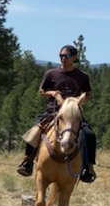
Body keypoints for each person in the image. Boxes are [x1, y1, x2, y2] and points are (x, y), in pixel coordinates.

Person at [17, 43, 97, 182]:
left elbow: (88, 93)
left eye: (66, 56)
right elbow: (41, 91)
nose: (62, 59)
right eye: (60, 56)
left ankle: (88, 168)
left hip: (72, 113)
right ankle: (28, 161)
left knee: (89, 135)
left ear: (74, 57)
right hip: (53, 111)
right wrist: (53, 93)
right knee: (35, 130)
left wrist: (82, 99)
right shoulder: (51, 73)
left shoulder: (82, 76)